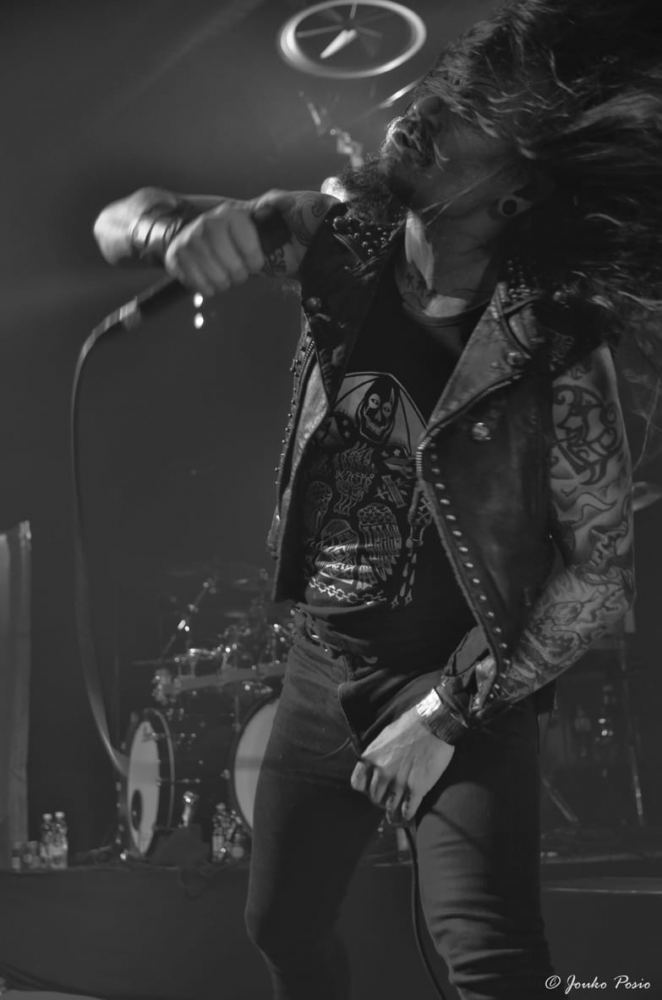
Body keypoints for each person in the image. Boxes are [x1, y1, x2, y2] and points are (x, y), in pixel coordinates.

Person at [94, 1, 662, 996]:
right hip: (323, 664)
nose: (422, 108)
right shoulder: (335, 241)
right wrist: (176, 230)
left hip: (461, 679)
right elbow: (117, 220)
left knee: (488, 959)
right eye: (439, 88)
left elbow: (598, 573)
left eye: (466, 112)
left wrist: (445, 713)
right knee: (279, 925)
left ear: (516, 192)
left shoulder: (553, 344)